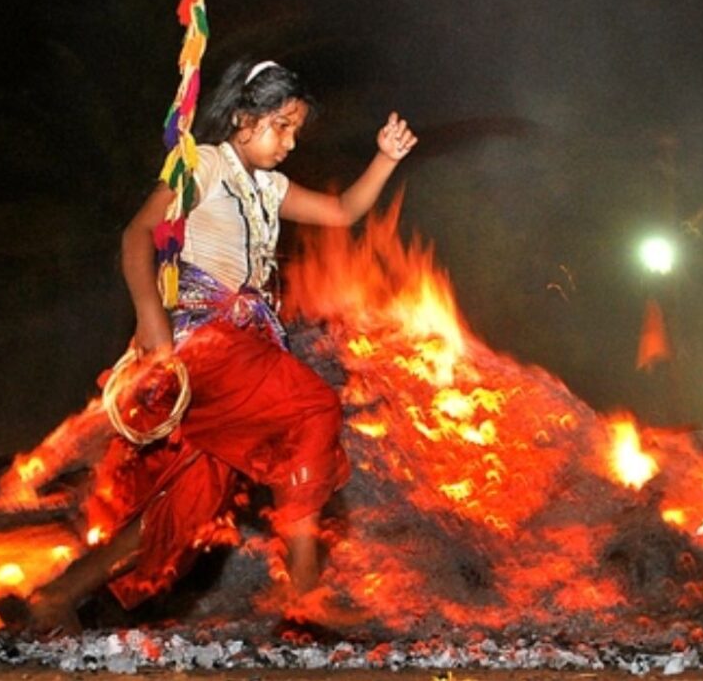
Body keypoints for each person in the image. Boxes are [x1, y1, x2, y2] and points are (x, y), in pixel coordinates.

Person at [24, 58, 417, 632]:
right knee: (313, 406)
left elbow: (341, 211)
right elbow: (138, 234)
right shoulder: (203, 165)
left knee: (188, 504)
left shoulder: (268, 187)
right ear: (240, 117)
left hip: (243, 346)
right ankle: (304, 590)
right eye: (280, 125)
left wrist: (386, 157)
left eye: (295, 131)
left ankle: (57, 594)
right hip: (205, 341)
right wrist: (151, 320)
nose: (288, 142)